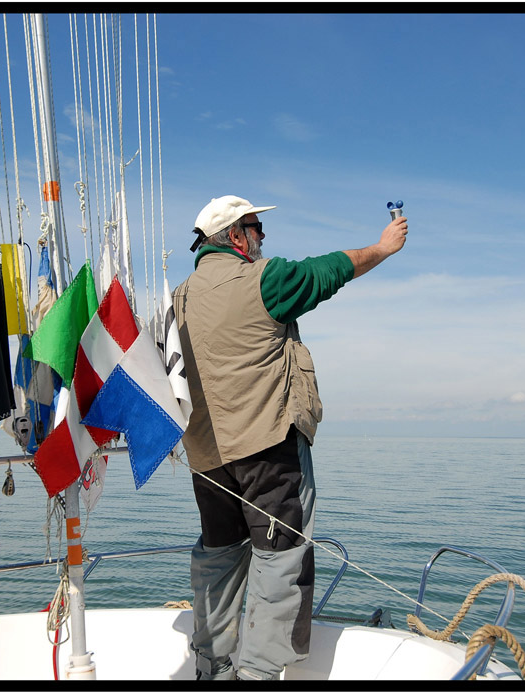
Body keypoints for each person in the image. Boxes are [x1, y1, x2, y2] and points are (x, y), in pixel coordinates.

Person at [172, 195, 408, 680]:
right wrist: (382, 248)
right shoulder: (266, 280)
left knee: (218, 555)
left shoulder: (180, 296)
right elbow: (327, 271)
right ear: (236, 236)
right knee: (280, 560)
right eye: (257, 228)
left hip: (207, 460)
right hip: (267, 449)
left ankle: (211, 670)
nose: (263, 237)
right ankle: (257, 677)